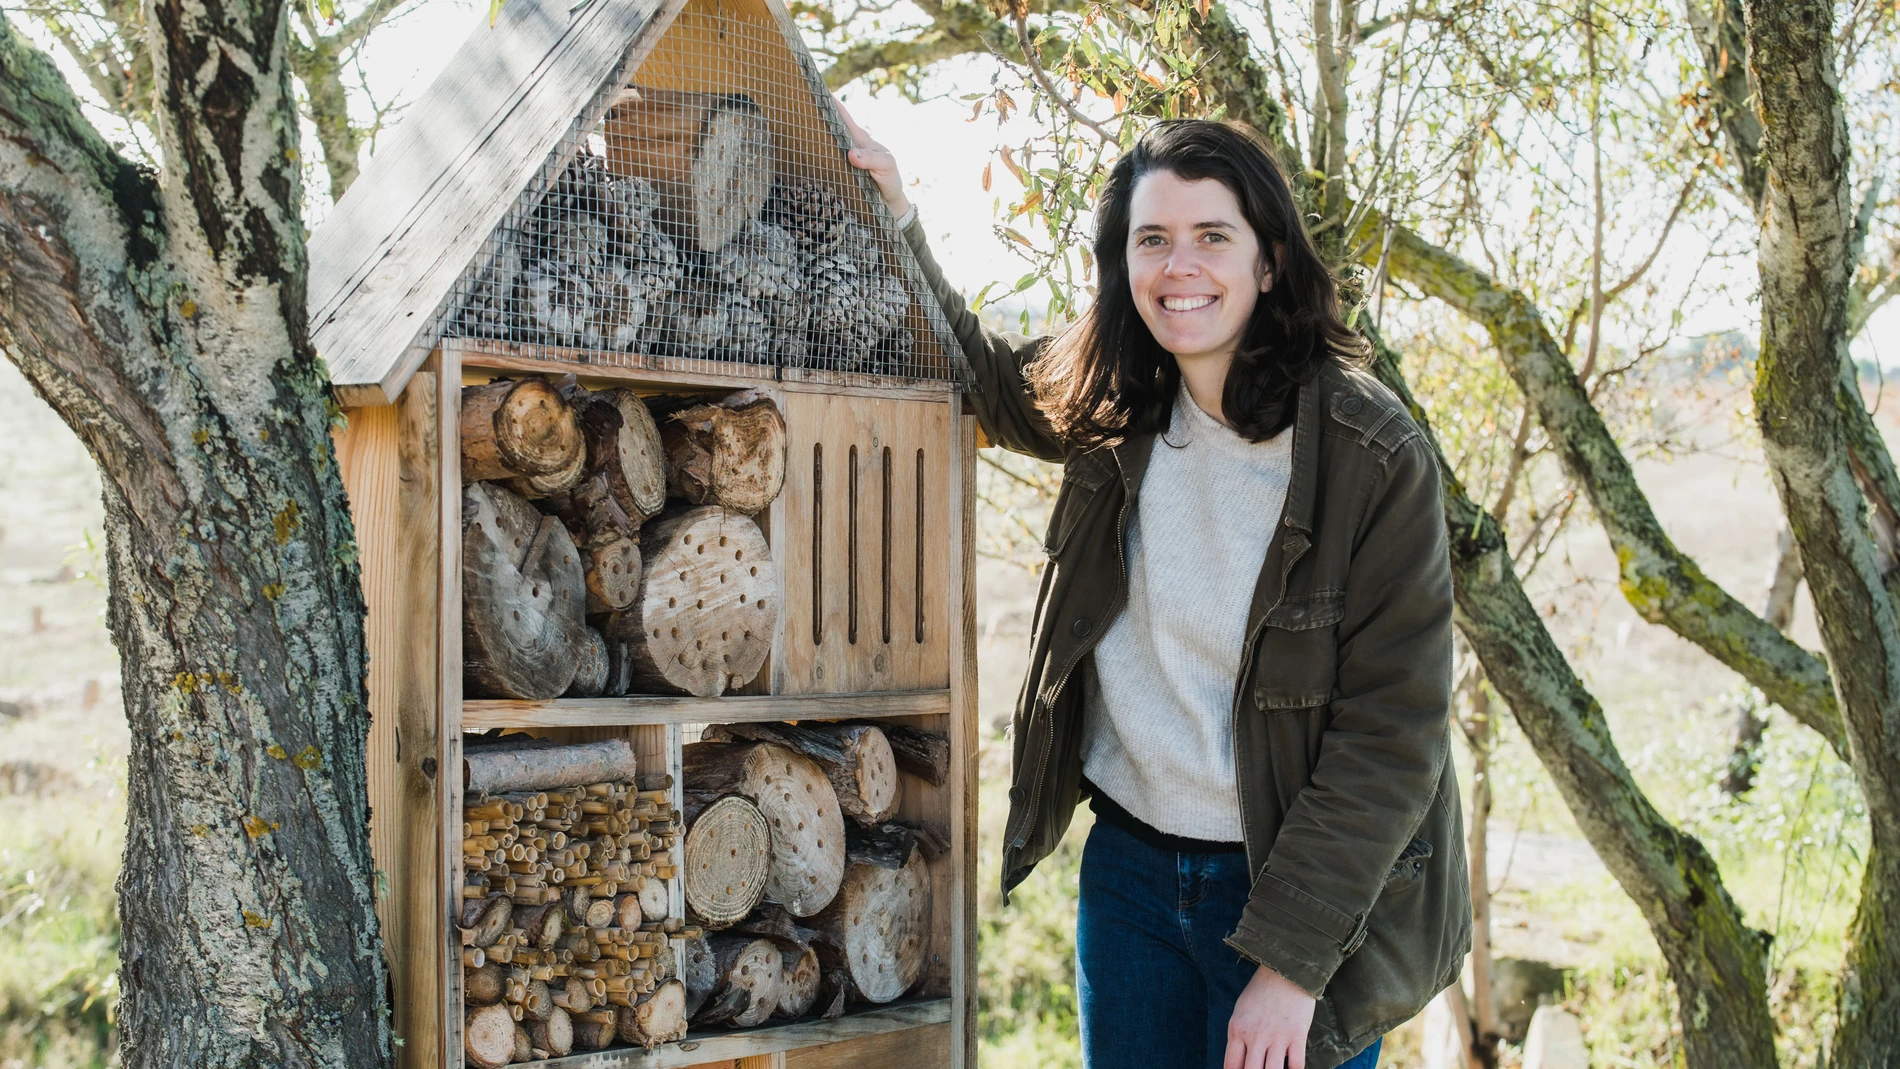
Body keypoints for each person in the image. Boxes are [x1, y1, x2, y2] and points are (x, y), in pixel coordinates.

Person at [842, 111, 1470, 1069]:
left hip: (1289, 891)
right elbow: (986, 379)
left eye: (1212, 236)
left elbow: (1395, 735)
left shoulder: (1371, 453)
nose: (1180, 266)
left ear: (1268, 262)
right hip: (1130, 877)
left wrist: (1290, 967)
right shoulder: (1120, 398)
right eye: (1153, 240)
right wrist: (896, 215)